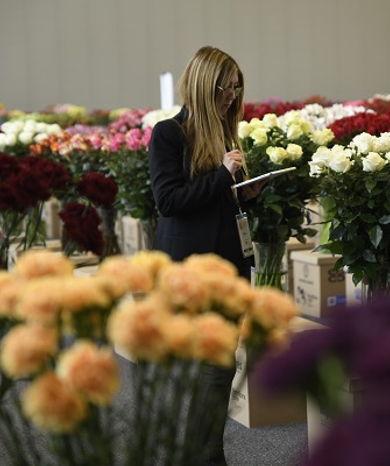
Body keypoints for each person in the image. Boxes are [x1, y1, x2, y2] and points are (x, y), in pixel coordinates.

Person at [147, 45, 263, 466]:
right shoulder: (169, 134)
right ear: (202, 86)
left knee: (222, 366)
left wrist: (246, 193)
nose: (231, 97)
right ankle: (207, 455)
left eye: (236, 89)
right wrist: (220, 178)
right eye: (224, 89)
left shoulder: (226, 133)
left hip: (229, 265)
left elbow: (220, 203)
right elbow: (169, 201)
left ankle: (204, 452)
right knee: (208, 369)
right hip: (191, 271)